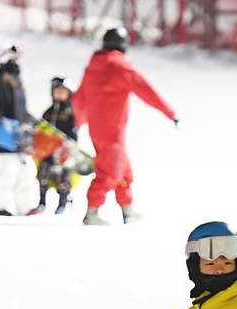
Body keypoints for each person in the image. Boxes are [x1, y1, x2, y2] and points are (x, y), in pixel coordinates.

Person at [72, 26, 178, 225]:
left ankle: (127, 210)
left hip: (97, 130)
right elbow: (146, 91)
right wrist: (169, 112)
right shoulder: (120, 67)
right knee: (111, 171)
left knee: (123, 169)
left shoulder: (92, 68)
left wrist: (77, 123)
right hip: (113, 131)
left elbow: (79, 99)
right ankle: (92, 212)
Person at [0, 44, 40, 216]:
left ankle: (26, 207)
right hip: (2, 135)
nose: (16, 60)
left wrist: (30, 122)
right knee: (6, 170)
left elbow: (20, 110)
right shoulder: (1, 80)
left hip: (18, 135)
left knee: (25, 170)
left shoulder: (17, 82)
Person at [35, 77, 78, 214]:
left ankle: (63, 202)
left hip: (64, 152)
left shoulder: (70, 111)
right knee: (43, 175)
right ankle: (42, 202)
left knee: (63, 177)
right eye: (57, 91)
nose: (59, 94)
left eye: (62, 91)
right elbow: (40, 129)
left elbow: (74, 131)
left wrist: (70, 141)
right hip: (48, 151)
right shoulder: (48, 112)